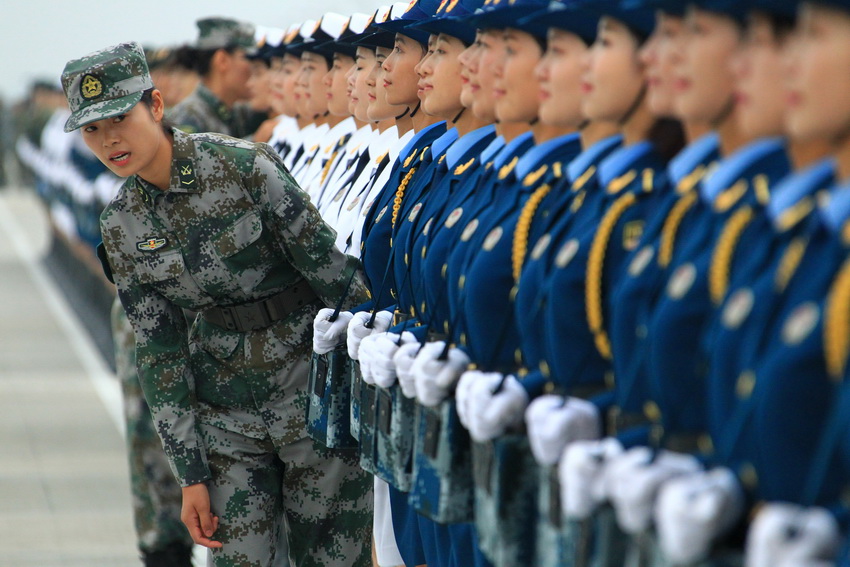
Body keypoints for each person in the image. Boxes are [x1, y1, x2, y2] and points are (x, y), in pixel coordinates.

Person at [60, 42, 372, 567]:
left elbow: (337, 279)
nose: (109, 139)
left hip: (310, 398)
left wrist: (363, 398)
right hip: (225, 415)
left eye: (119, 118)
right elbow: (158, 352)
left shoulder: (245, 169)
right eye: (92, 129)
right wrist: (191, 475)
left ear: (155, 106)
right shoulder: (122, 225)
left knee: (332, 559)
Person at [169, 17, 267, 138]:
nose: (254, 68)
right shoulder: (188, 117)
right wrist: (256, 141)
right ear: (222, 60)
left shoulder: (238, 111)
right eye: (248, 59)